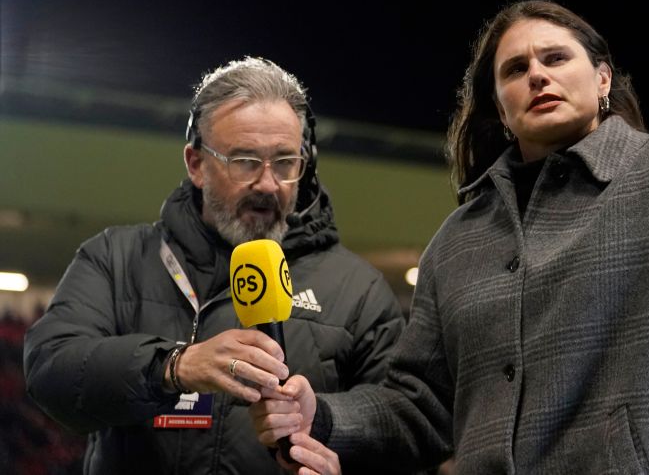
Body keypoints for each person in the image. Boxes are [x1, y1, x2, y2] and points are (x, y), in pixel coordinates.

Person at [250, 0, 649, 474]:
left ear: (603, 79)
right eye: (515, 69)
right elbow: (419, 406)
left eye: (556, 57)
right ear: (501, 109)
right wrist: (320, 416)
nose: (537, 74)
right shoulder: (457, 239)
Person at [23, 57, 404, 474]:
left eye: (285, 162)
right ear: (196, 163)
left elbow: (408, 431)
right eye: (244, 160)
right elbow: (50, 371)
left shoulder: (358, 290)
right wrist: (173, 366)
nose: (267, 183)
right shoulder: (116, 258)